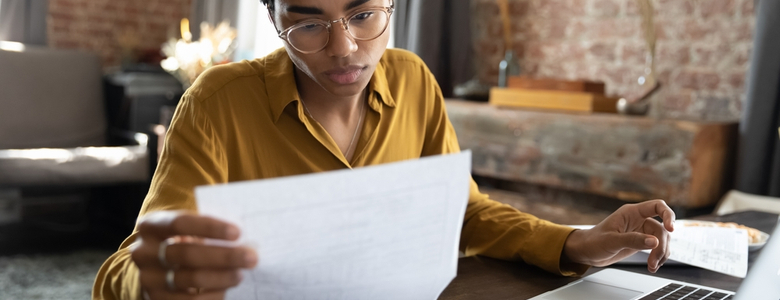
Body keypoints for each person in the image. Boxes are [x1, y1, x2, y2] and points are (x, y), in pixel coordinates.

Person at [93, 0, 675, 299]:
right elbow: (125, 268)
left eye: (364, 14)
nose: (345, 49)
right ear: (273, 21)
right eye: (310, 25)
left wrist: (576, 242)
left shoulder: (415, 80)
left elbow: (464, 213)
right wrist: (151, 280)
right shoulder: (218, 102)